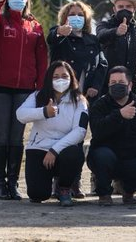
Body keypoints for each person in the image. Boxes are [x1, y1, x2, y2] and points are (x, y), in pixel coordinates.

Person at [0, 0, 48, 200]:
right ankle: (0, 184)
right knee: (1, 135)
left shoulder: (35, 27)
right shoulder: (1, 21)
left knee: (16, 137)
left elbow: (41, 59)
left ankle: (13, 183)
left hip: (24, 89)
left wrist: (41, 88)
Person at [47, 0, 107, 198]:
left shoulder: (93, 40)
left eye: (80, 15)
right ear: (65, 17)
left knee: (79, 138)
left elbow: (102, 66)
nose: (76, 17)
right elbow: (51, 40)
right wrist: (59, 33)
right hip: (62, 97)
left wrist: (95, 86)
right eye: (72, 14)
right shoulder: (59, 36)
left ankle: (74, 181)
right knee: (61, 137)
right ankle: (59, 182)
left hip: (84, 99)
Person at [87, 66, 136, 206]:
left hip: (131, 158)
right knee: (102, 156)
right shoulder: (100, 105)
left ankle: (128, 189)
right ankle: (104, 193)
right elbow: (98, 131)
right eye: (113, 82)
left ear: (130, 85)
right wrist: (119, 115)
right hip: (104, 157)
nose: (116, 85)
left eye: (121, 82)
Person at [16, 61, 88, 206]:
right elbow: (20, 115)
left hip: (63, 151)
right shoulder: (37, 96)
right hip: (38, 149)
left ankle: (64, 188)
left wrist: (55, 150)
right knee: (37, 195)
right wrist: (44, 112)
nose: (60, 79)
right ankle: (46, 183)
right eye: (55, 76)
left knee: (75, 154)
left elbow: (80, 131)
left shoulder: (79, 101)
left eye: (64, 76)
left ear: (71, 78)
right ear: (49, 78)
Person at [96, 0, 136, 99]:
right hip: (106, 92)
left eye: (128, 7)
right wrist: (116, 32)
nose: (124, 9)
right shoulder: (104, 25)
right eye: (121, 7)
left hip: (133, 92)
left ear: (134, 10)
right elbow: (100, 36)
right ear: (114, 9)